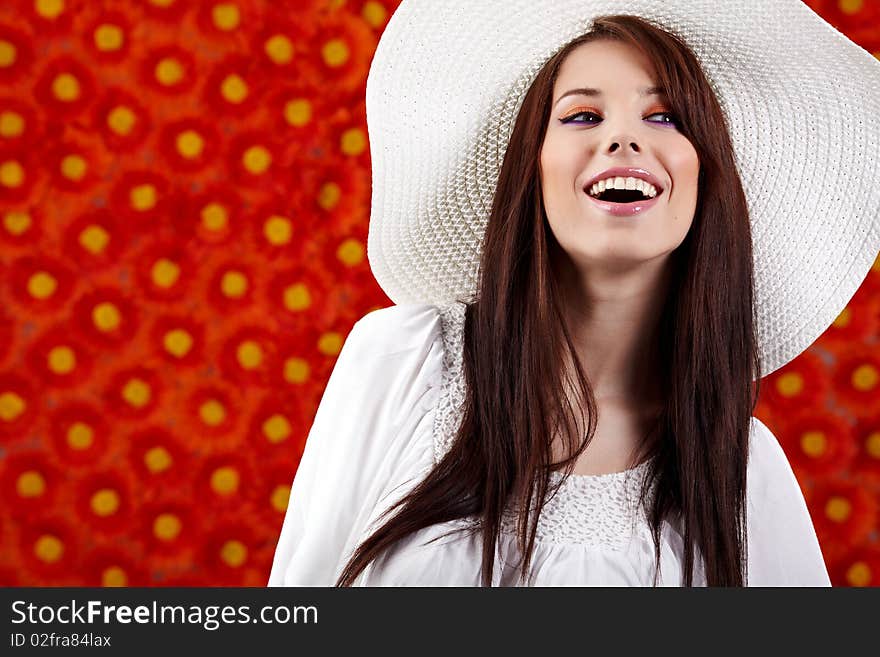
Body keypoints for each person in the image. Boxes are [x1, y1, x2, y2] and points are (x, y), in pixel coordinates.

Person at [268, 0, 880, 586]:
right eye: (583, 116)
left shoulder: (742, 471)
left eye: (666, 116)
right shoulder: (406, 361)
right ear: (531, 171)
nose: (623, 139)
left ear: (706, 176)